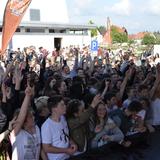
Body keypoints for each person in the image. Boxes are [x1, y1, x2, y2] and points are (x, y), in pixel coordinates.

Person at [41, 95, 77, 160]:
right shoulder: (47, 126)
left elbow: (66, 135)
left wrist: (72, 143)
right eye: (62, 105)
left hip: (68, 156)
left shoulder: (63, 118)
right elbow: (46, 148)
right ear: (54, 109)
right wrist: (66, 150)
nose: (65, 106)